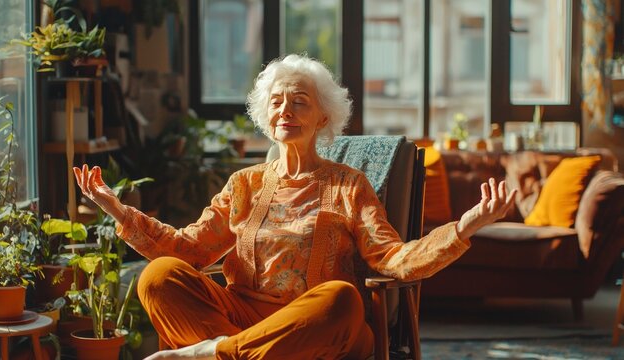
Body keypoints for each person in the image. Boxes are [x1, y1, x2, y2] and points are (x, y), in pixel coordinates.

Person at [74, 54, 516, 360]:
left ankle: (214, 353)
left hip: (314, 323)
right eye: (277, 102)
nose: (286, 110)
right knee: (158, 277)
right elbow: (190, 250)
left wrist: (465, 226)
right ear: (266, 117)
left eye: (300, 101)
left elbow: (393, 259)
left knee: (343, 300)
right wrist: (117, 209)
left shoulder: (349, 185)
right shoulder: (244, 184)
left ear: (322, 117)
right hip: (243, 315)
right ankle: (241, 352)